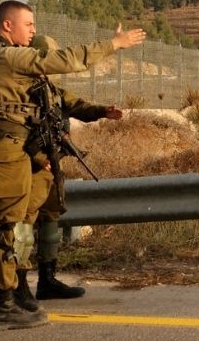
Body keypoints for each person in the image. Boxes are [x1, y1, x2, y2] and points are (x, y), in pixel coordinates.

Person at [0, 0, 145, 331]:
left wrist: (95, 111)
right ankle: (4, 306)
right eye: (29, 25)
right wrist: (113, 44)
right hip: (6, 151)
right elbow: (66, 60)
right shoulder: (9, 57)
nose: (33, 30)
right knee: (10, 227)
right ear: (7, 25)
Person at [12, 34, 125, 312]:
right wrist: (39, 159)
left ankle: (47, 280)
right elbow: (13, 132)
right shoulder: (17, 88)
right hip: (29, 166)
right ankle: (19, 284)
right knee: (24, 224)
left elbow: (73, 104)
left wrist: (102, 111)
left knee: (51, 215)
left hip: (51, 163)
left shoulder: (48, 87)